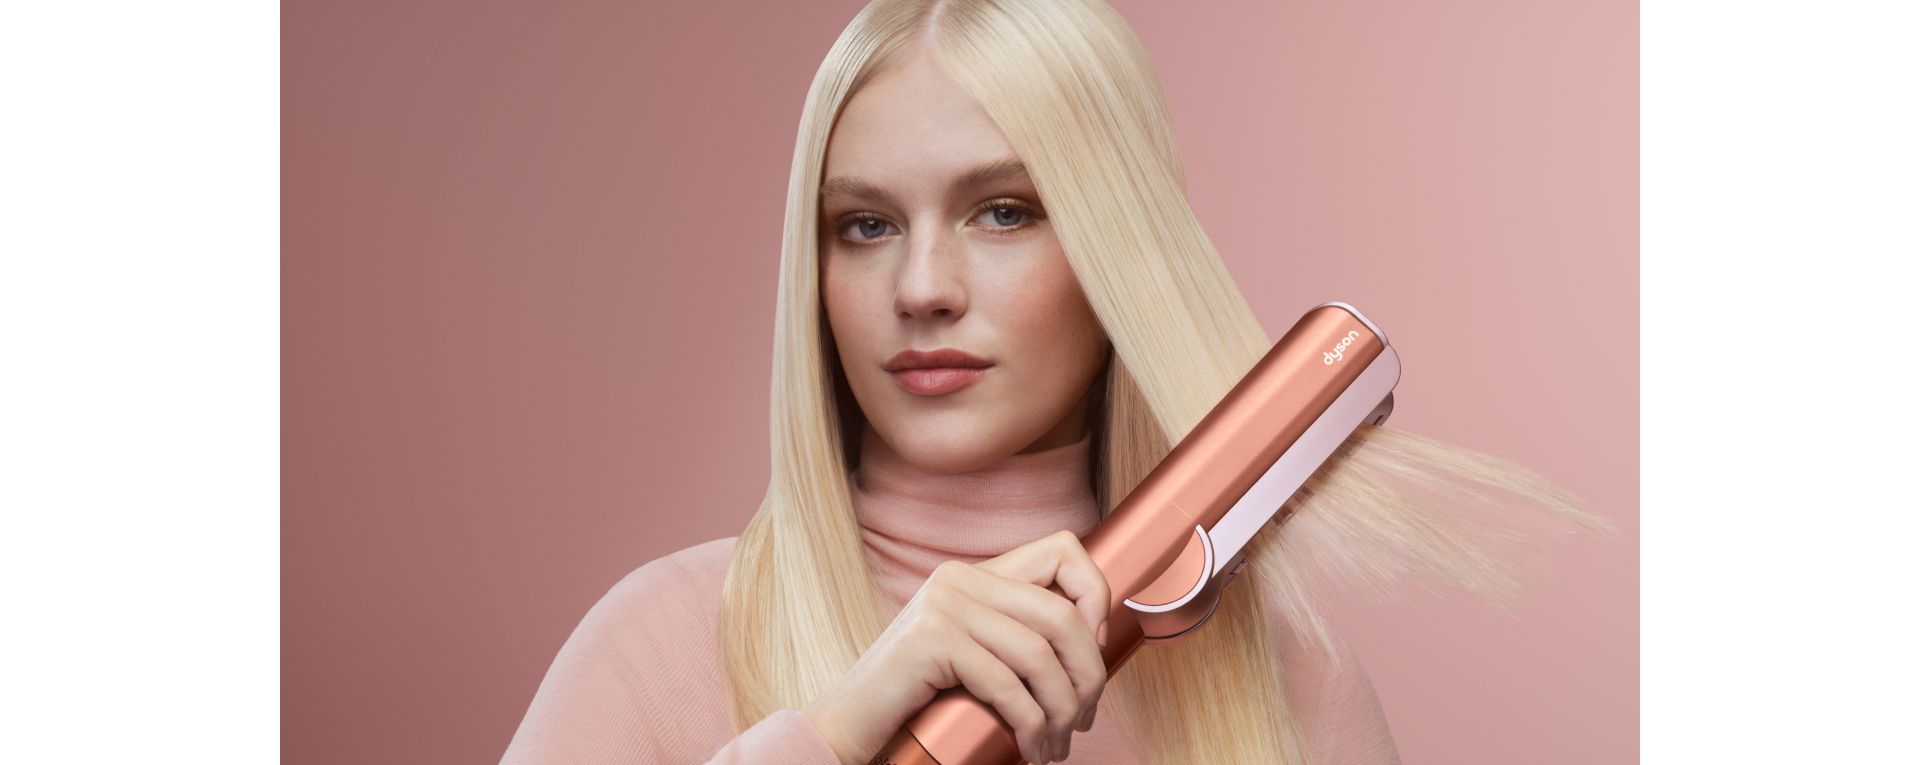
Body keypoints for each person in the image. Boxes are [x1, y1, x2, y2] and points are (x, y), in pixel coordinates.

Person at [502, 1, 1599, 763]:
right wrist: (833, 738)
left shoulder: (1283, 682)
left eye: (1005, 211)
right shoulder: (663, 640)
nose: (922, 287)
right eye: (866, 224)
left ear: (1117, 252)